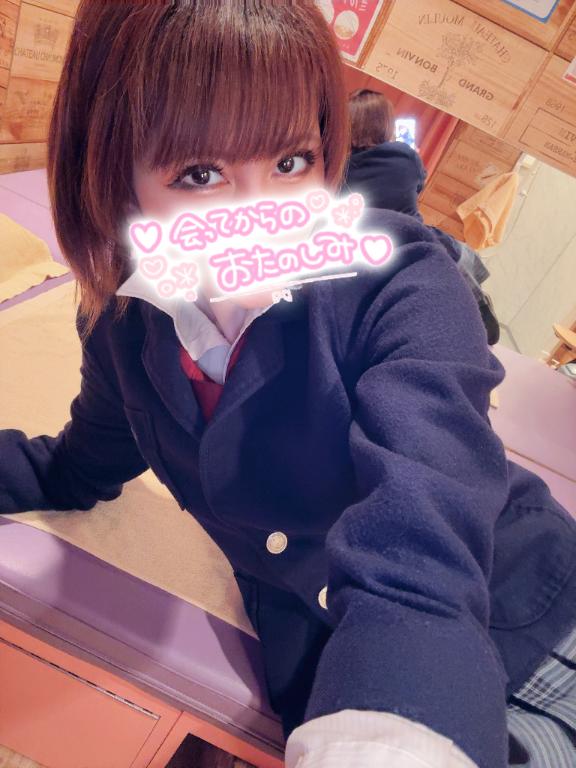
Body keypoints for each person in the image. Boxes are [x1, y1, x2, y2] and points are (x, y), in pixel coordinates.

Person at [1, 3, 575, 767]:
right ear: (116, 179)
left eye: (292, 162)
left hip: (530, 625)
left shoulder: (401, 282)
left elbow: (422, 547)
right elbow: (77, 468)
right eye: (200, 174)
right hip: (324, 675)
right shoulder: (123, 330)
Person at [344, 89, 500, 344]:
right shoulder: (404, 156)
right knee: (458, 253)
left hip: (361, 251)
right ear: (385, 124)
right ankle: (477, 305)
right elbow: (419, 187)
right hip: (413, 239)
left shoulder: (340, 168)